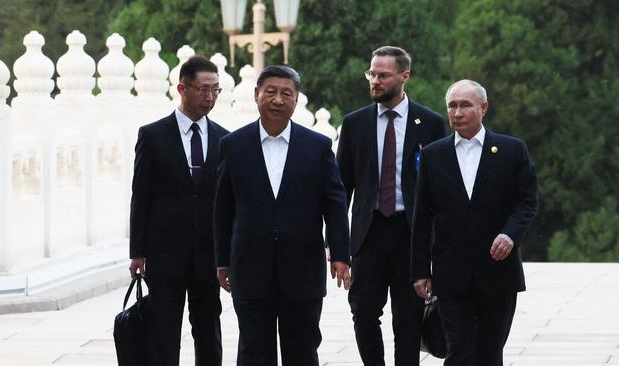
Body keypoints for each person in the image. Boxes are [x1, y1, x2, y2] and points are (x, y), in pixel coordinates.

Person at [214, 65, 351, 366]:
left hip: (303, 271)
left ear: (296, 99)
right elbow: (223, 209)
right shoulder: (233, 146)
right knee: (253, 350)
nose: (277, 99)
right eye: (271, 92)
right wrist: (222, 260)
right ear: (256, 95)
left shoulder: (317, 146)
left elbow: (335, 202)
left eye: (286, 93)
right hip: (250, 268)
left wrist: (340, 253)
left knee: (301, 351)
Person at [411, 79, 538, 366]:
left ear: (483, 108)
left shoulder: (511, 151)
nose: (457, 112)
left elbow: (526, 202)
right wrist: (419, 271)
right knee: (459, 351)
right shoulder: (433, 155)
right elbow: (422, 216)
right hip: (450, 273)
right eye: (452, 106)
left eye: (465, 105)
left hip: (497, 272)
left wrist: (510, 234)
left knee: (490, 353)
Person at [337, 45, 446, 366]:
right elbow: (341, 189)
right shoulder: (354, 124)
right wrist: (338, 249)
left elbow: (439, 193)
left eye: (383, 75)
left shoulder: (430, 123)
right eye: (372, 74)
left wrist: (437, 249)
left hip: (411, 236)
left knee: (409, 316)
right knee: (363, 311)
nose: (375, 80)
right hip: (368, 234)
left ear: (404, 76)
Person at [128, 56, 228, 366]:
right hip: (165, 255)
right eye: (202, 89)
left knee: (209, 331)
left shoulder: (226, 139)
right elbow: (140, 197)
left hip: (209, 257)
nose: (209, 97)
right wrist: (138, 252)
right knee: (163, 333)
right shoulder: (153, 136)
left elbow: (228, 203)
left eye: (215, 90)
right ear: (182, 88)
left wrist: (228, 254)